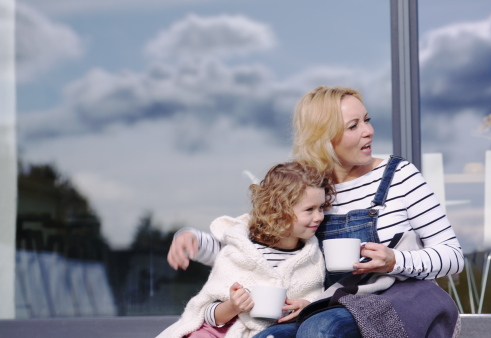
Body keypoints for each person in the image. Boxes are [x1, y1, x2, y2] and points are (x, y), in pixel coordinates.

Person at [168, 86, 465, 337]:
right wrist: (191, 239)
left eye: (367, 120)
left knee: (321, 329)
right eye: (353, 126)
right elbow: (250, 247)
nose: (368, 131)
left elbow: (453, 257)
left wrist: (394, 261)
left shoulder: (399, 175)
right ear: (324, 137)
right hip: (330, 304)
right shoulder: (308, 188)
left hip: (399, 301)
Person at [157, 161, 334, 338]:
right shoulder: (241, 247)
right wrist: (187, 236)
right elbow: (209, 314)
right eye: (309, 209)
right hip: (219, 330)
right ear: (280, 209)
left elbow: (315, 301)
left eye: (321, 208)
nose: (319, 217)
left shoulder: (311, 259)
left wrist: (306, 307)